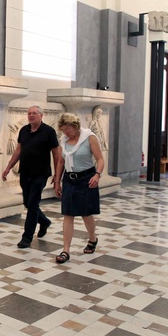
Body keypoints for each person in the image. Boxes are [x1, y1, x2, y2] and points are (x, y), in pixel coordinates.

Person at [2, 105, 60, 248]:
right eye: (29, 113)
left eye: (34, 113)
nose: (31, 115)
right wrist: (8, 167)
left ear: (41, 115)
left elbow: (56, 154)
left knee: (33, 203)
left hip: (40, 173)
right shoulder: (24, 130)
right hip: (25, 172)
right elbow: (18, 150)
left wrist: (57, 176)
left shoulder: (49, 131)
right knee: (28, 203)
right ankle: (44, 221)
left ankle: (27, 237)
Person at [53, 113, 105, 263]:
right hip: (69, 179)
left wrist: (97, 175)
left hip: (86, 179)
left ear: (75, 126)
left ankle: (92, 238)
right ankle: (66, 250)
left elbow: (100, 159)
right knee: (68, 214)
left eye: (68, 129)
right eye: (63, 130)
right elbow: (61, 162)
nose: (66, 132)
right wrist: (57, 181)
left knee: (85, 214)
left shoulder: (89, 137)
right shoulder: (63, 141)